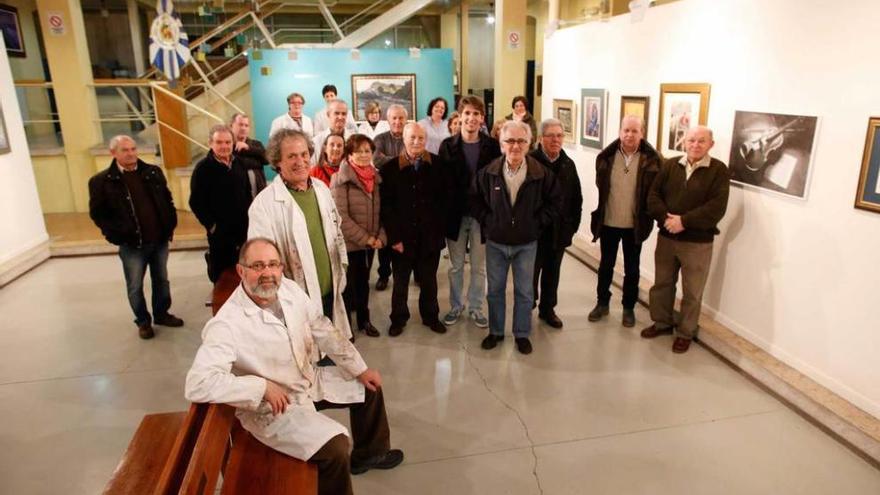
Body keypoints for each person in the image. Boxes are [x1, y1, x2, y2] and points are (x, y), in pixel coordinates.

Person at [185, 238, 404, 495]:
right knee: (336, 449)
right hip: (273, 408)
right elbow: (198, 383)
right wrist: (261, 386)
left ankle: (370, 455)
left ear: (281, 268)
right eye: (257, 266)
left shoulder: (288, 289)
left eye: (273, 264)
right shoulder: (227, 324)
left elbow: (321, 327)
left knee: (369, 387)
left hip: (305, 381)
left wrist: (359, 368)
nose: (267, 273)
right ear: (241, 271)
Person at [248, 129, 352, 339]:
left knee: (331, 349)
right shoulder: (264, 204)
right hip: (292, 299)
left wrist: (342, 269)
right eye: (292, 156)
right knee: (304, 357)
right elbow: (260, 260)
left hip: (330, 289)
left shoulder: (322, 189)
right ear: (278, 162)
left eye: (304, 154)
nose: (301, 161)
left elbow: (337, 232)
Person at [472, 121, 560, 355]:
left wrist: (536, 223)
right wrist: (489, 221)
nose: (515, 146)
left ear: (529, 143)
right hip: (496, 242)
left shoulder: (541, 174)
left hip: (526, 243)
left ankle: (522, 334)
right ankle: (496, 332)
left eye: (521, 141)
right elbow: (474, 200)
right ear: (501, 145)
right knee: (495, 290)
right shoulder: (488, 173)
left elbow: (555, 203)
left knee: (524, 291)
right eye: (510, 141)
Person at [642, 126, 730, 354]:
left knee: (692, 291)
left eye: (702, 141)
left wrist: (684, 221)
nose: (695, 145)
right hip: (667, 238)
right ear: (684, 142)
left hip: (698, 243)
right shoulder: (671, 165)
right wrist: (666, 219)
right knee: (662, 283)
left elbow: (716, 208)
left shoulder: (719, 171)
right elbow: (653, 196)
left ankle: (685, 332)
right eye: (691, 140)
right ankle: (661, 323)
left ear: (711, 144)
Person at [88, 135, 183, 339]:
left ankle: (161, 313)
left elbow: (167, 200)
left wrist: (169, 225)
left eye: (133, 149)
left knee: (161, 280)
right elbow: (98, 214)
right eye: (125, 150)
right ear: (113, 153)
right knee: (134, 285)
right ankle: (143, 321)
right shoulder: (101, 182)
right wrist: (114, 235)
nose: (131, 153)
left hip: (158, 240)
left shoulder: (153, 172)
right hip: (131, 245)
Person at [588, 115, 661, 327]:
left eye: (634, 131)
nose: (629, 135)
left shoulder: (653, 161)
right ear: (620, 132)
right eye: (626, 130)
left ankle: (628, 307)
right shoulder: (606, 157)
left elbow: (656, 192)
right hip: (609, 221)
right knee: (606, 265)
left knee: (632, 268)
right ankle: (602, 303)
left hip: (634, 226)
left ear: (642, 133)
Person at [438, 95, 501, 328]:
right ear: (460, 116)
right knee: (455, 266)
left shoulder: (492, 146)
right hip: (455, 215)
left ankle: (476, 307)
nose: (471, 118)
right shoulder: (448, 146)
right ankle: (456, 306)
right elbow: (442, 185)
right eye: (467, 113)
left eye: (476, 114)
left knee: (479, 266)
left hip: (482, 216)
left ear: (482, 118)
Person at [379, 123, 448, 336]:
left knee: (429, 281)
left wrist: (438, 233)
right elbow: (386, 208)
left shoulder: (438, 165)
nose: (416, 142)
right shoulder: (390, 169)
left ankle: (431, 316)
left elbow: (445, 202)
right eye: (412, 138)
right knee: (400, 282)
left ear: (426, 139)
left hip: (430, 238)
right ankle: (398, 319)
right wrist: (394, 238)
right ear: (404, 140)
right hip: (401, 239)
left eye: (420, 137)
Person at [190, 124, 253, 313]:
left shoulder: (239, 163)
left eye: (228, 142)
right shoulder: (203, 169)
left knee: (244, 272)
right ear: (210, 143)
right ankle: (223, 316)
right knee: (222, 278)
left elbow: (247, 193)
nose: (224, 146)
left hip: (243, 232)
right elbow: (196, 202)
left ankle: (245, 311)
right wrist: (212, 226)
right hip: (220, 235)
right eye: (219, 142)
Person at [529, 119, 583, 328]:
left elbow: (576, 199)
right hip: (535, 232)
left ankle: (548, 309)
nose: (555, 140)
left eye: (559, 135)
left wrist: (572, 228)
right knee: (530, 275)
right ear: (541, 138)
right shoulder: (530, 161)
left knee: (553, 273)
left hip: (559, 232)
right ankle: (528, 306)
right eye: (551, 135)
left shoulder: (568, 165)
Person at [331, 135, 386, 337]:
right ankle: (346, 329)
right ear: (350, 154)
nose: (364, 155)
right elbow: (341, 217)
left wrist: (380, 236)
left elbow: (382, 211)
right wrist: (367, 238)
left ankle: (364, 321)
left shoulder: (376, 178)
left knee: (364, 285)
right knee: (347, 287)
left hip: (369, 244)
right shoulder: (339, 180)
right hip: (350, 244)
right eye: (359, 151)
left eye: (367, 151)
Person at [371, 104, 408, 291]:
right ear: (388, 119)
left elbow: (414, 158)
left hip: (407, 194)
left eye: (401, 118)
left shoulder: (410, 137)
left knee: (407, 235)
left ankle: (413, 273)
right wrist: (402, 160)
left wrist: (391, 160)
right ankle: (384, 275)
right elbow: (376, 160)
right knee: (385, 236)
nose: (397, 122)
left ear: (406, 120)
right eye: (394, 118)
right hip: (385, 192)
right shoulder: (379, 138)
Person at [230, 112, 268, 200]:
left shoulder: (256, 144)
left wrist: (248, 148)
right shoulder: (227, 146)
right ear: (231, 126)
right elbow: (239, 165)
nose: (243, 128)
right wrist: (257, 162)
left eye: (246, 125)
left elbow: (267, 159)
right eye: (240, 124)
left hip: (259, 193)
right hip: (238, 196)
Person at [312, 99, 355, 165]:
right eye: (336, 113)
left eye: (344, 114)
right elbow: (312, 166)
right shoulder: (316, 141)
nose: (340, 117)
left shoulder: (354, 139)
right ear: (328, 114)